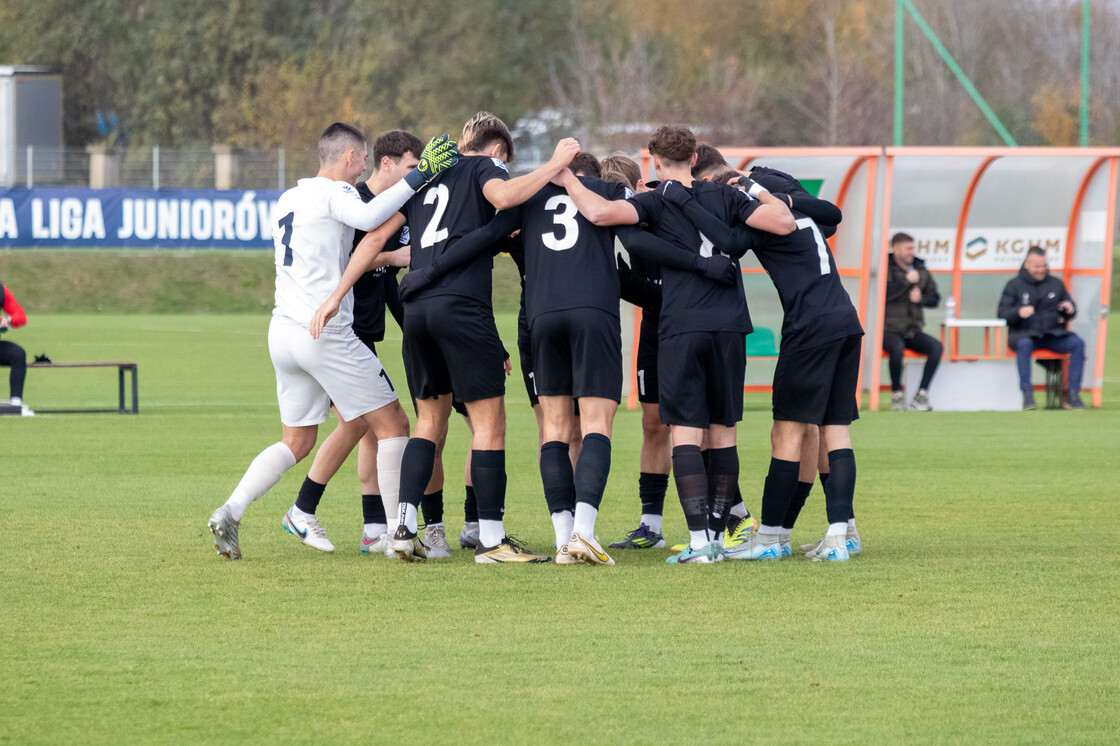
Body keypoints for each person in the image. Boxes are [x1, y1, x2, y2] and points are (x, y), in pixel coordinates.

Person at [313, 112, 580, 563]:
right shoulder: (484, 167)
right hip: (461, 308)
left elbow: (375, 237)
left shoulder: (429, 176)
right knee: (489, 423)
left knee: (428, 424)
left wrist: (336, 295)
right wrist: (554, 164)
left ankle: (402, 527)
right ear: (498, 150)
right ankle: (492, 541)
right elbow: (505, 194)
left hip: (417, 310)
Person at [206, 123, 457, 560]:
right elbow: (367, 218)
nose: (362, 168)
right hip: (322, 332)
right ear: (347, 157)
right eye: (361, 159)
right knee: (394, 424)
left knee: (297, 441)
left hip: (282, 331)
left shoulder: (290, 196)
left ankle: (232, 509)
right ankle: (401, 535)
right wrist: (420, 178)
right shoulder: (336, 193)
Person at [559, 124, 796, 565]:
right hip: (728, 325)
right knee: (723, 434)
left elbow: (599, 214)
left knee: (685, 434)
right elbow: (783, 221)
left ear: (653, 159)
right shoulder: (726, 196)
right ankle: (724, 539)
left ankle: (700, 541)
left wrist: (568, 177)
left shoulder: (652, 199)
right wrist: (753, 188)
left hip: (681, 325)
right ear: (693, 158)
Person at [669, 167, 864, 562]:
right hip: (845, 320)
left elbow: (727, 240)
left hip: (810, 328)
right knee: (835, 431)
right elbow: (828, 212)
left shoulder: (768, 219)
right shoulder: (808, 216)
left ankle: (772, 538)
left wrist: (687, 202)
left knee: (785, 434)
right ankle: (842, 535)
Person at [302, 129, 419, 558]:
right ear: (385, 165)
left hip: (365, 330)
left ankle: (375, 527)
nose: (415, 176)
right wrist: (391, 257)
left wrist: (412, 329)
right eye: (411, 168)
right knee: (368, 427)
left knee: (370, 429)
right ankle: (372, 526)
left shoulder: (397, 207)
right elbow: (358, 258)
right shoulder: (350, 202)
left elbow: (386, 283)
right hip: (338, 331)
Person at [997, 246, 1085, 410]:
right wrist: (1019, 312)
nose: (1041, 270)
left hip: (1052, 335)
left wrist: (1069, 308)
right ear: (1027, 265)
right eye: (1037, 267)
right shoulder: (1013, 285)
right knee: (1024, 345)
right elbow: (1002, 313)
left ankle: (1073, 394)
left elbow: (1069, 312)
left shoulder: (1056, 283)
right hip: (1025, 335)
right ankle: (1028, 396)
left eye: (1044, 266)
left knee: (1077, 343)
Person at [882, 232, 942, 411]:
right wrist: (905, 283)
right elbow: (882, 294)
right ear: (896, 249)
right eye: (908, 248)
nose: (912, 252)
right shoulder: (885, 268)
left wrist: (921, 299)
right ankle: (896, 395)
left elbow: (935, 298)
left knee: (936, 347)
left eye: (913, 248)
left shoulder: (920, 269)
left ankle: (921, 394)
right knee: (897, 348)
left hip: (912, 330)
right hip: (889, 329)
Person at [0, 281, 34, 416]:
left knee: (18, 354)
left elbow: (20, 315)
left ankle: (15, 404)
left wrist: (7, 320)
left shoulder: (1, 291)